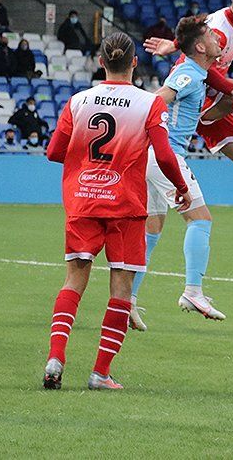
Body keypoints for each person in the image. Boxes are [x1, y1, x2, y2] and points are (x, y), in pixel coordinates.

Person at [41, 32, 190, 391]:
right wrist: (181, 189)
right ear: (135, 63)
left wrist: (84, 162)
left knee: (74, 280)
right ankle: (100, 373)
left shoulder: (78, 101)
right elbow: (165, 155)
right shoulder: (149, 104)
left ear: (101, 62)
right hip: (124, 204)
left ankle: (55, 357)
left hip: (83, 201)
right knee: (121, 287)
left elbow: (53, 152)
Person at [142, 0, 233, 269]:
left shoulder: (226, 21)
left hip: (210, 99)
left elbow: (197, 29)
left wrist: (175, 44)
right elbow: (200, 69)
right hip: (203, 103)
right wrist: (231, 89)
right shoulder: (221, 31)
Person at [131, 15, 227, 331]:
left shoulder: (198, 73)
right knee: (200, 219)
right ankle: (193, 291)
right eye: (212, 35)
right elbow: (158, 100)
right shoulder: (187, 74)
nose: (217, 39)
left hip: (151, 157)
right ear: (200, 46)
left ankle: (126, 301)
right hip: (165, 155)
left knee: (151, 232)